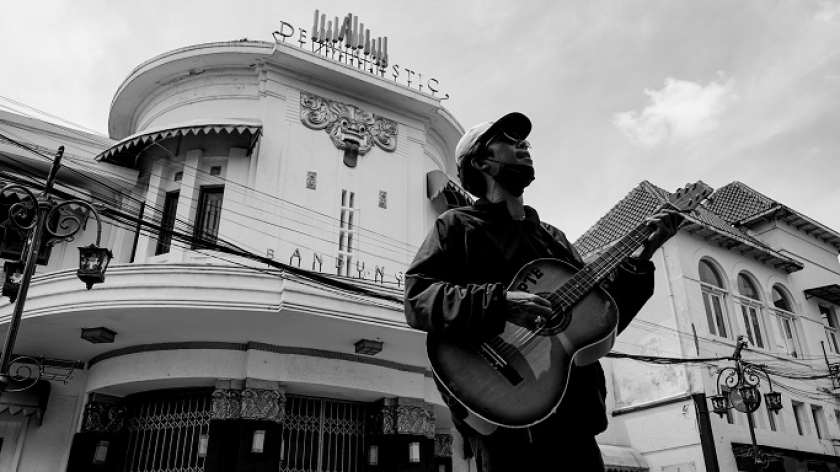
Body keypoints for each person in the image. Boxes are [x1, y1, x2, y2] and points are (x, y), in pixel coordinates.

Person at [404, 112, 681, 471]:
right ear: (480, 161)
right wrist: (500, 303)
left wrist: (645, 253)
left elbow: (598, 321)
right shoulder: (457, 226)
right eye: (508, 138)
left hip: (574, 423)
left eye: (526, 142)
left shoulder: (553, 238)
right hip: (502, 423)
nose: (523, 145)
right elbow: (418, 298)